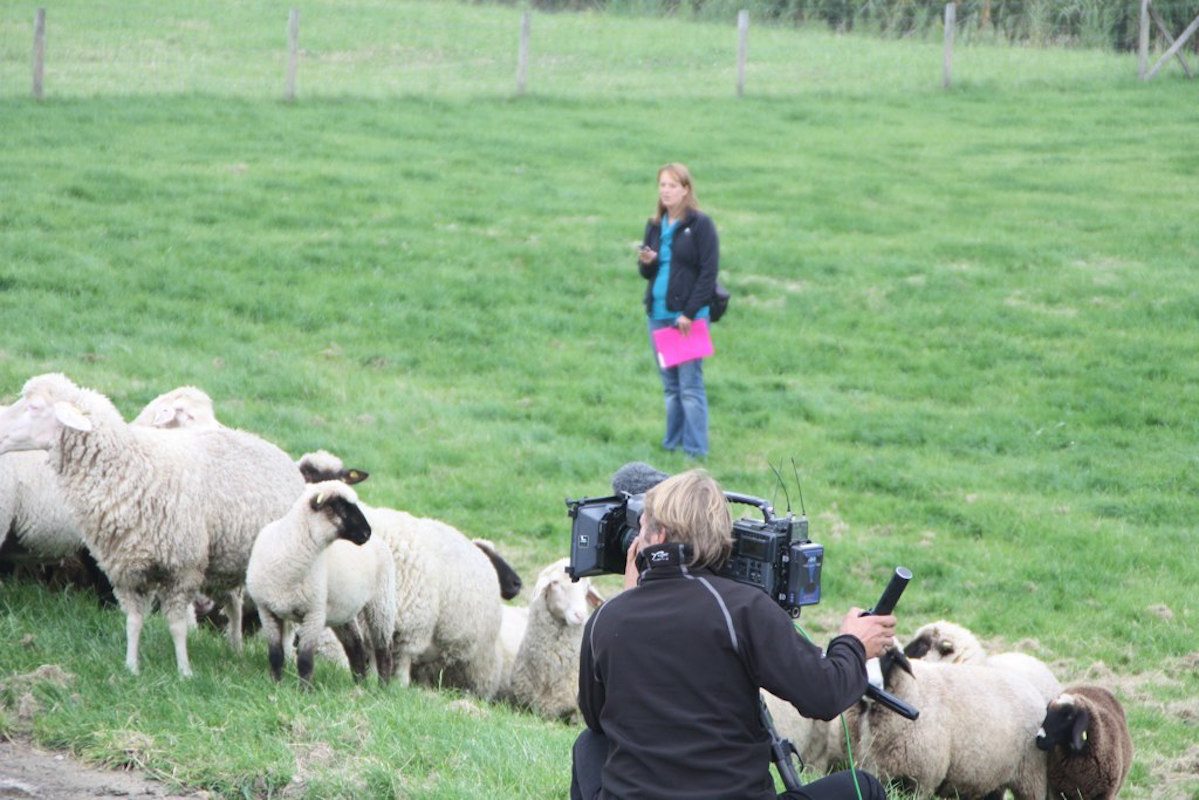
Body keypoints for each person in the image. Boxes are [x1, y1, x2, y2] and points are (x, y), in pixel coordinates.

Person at [571, 469, 895, 800]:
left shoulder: (607, 619)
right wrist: (853, 644)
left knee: (589, 745)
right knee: (862, 787)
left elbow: (596, 718)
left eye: (641, 529)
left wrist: (628, 602)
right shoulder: (744, 609)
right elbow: (825, 694)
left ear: (660, 536)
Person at [638, 163, 719, 460]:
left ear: (686, 190)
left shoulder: (700, 226)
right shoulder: (656, 225)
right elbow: (646, 274)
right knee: (670, 386)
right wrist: (648, 262)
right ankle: (671, 444)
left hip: (686, 318)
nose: (666, 191)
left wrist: (689, 312)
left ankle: (696, 449)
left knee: (689, 385)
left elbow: (708, 273)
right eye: (662, 185)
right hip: (658, 314)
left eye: (672, 185)